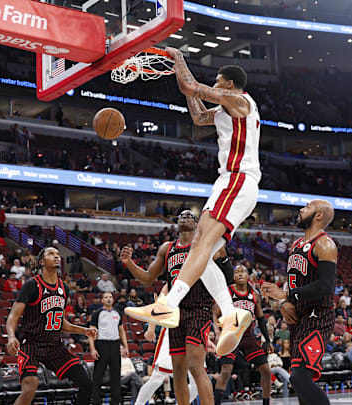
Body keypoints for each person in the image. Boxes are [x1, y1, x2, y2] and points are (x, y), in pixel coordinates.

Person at [136, 48, 261, 357]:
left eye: (217, 82)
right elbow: (196, 114)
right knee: (203, 251)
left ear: (230, 84)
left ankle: (168, 304)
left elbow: (191, 87)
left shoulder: (240, 101)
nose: (214, 86)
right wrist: (187, 86)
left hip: (237, 178)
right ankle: (231, 316)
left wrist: (178, 60)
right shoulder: (224, 109)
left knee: (201, 245)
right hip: (230, 182)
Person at [123, 210, 227, 405]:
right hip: (175, 314)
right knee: (178, 370)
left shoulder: (204, 245)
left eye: (189, 215)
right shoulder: (167, 248)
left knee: (196, 366)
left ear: (197, 223)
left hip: (198, 309)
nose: (184, 216)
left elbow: (223, 267)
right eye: (181, 215)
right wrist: (129, 263)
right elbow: (147, 278)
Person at [261, 200, 337, 405]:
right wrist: (285, 303)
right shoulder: (296, 245)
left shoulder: (325, 244)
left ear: (318, 215)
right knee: (302, 386)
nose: (301, 210)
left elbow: (326, 286)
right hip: (298, 317)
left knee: (299, 377)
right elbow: (294, 282)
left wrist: (286, 296)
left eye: (308, 207)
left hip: (318, 316)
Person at [6, 247, 97, 405]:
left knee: (86, 383)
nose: (56, 256)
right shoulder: (32, 285)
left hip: (55, 346)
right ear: (42, 261)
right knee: (30, 388)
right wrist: (11, 337)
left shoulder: (64, 288)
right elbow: (13, 316)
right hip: (31, 345)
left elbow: (60, 322)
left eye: (57, 254)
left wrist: (84, 330)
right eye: (51, 254)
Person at [213, 265, 272, 405]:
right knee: (226, 370)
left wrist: (267, 340)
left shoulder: (255, 294)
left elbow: (261, 319)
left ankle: (266, 402)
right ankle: (216, 402)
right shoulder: (227, 292)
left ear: (248, 275)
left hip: (247, 335)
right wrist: (217, 332)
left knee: (266, 370)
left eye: (243, 271)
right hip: (230, 334)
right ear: (233, 277)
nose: (240, 274)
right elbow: (215, 314)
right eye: (237, 272)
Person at [89, 291, 129, 405]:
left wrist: (126, 347)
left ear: (113, 299)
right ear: (102, 300)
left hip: (115, 345)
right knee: (98, 376)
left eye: (110, 297)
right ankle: (97, 402)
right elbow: (90, 333)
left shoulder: (117, 313)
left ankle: (115, 403)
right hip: (101, 345)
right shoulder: (97, 313)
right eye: (106, 297)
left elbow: (122, 332)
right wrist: (92, 349)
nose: (108, 299)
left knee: (116, 377)